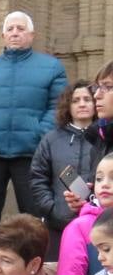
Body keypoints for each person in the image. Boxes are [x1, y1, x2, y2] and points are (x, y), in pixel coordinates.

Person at [0, 11, 69, 264]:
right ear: (2, 35)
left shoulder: (51, 67)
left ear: (32, 35)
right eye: (10, 29)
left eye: (21, 28)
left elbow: (58, 106)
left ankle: (35, 261)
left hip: (31, 153)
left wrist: (39, 135)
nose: (15, 33)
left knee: (33, 213)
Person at [30, 80, 99, 259]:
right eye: (75, 100)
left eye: (87, 99)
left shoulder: (106, 138)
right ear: (67, 106)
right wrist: (52, 209)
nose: (82, 104)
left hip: (99, 225)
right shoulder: (51, 139)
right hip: (58, 226)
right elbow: (38, 178)